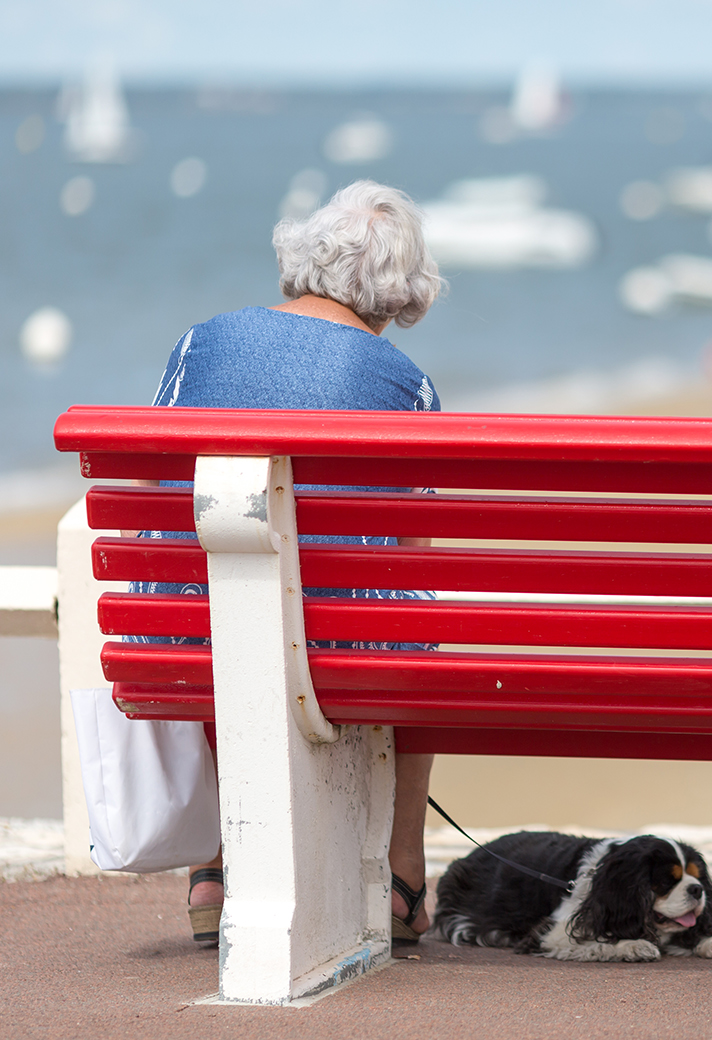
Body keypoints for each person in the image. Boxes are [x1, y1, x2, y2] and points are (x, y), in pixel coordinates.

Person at [133, 180, 445, 944]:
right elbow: (414, 552)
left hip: (174, 637)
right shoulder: (404, 383)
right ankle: (404, 870)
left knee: (217, 580)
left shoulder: (197, 343)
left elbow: (153, 492)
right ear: (401, 289)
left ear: (308, 253)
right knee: (421, 624)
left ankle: (214, 865)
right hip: (330, 656)